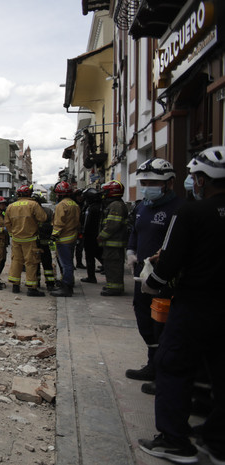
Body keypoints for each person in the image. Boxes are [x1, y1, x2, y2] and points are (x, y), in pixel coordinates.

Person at [137, 147, 225, 463]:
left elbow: (170, 261)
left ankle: (174, 440)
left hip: (194, 306)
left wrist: (151, 283)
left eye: (194, 176)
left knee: (173, 366)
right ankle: (217, 440)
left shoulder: (189, 212)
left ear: (202, 179)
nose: (193, 182)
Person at [124, 158, 184, 394]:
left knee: (164, 324)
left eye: (152, 182)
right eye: (144, 182)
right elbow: (135, 233)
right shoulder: (142, 207)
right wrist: (131, 251)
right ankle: (152, 363)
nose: (147, 186)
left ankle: (164, 372)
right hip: (143, 276)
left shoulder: (178, 209)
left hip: (166, 279)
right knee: (144, 319)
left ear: (168, 183)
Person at [4, 184, 48, 296]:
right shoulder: (33, 204)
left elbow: (7, 223)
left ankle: (15, 285)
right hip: (30, 239)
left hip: (16, 239)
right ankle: (31, 288)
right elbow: (43, 218)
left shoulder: (11, 206)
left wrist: (12, 234)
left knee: (16, 261)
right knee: (31, 262)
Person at [97, 180, 128, 296]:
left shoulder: (116, 205)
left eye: (105, 191)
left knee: (114, 266)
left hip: (114, 242)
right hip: (112, 243)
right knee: (110, 266)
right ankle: (111, 285)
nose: (104, 194)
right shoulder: (115, 204)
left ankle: (115, 288)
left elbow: (112, 225)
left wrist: (101, 236)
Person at [50, 181, 81, 297]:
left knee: (65, 264)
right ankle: (68, 283)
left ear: (60, 194)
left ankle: (66, 287)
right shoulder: (74, 204)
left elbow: (58, 223)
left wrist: (53, 235)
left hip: (63, 239)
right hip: (72, 237)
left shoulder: (61, 205)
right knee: (68, 263)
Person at [33, 194, 58, 292]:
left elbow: (52, 226)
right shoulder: (47, 211)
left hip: (40, 243)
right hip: (41, 243)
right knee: (39, 264)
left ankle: (46, 283)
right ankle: (46, 283)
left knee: (42, 264)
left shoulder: (46, 212)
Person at [80, 187, 104, 284]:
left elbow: (88, 223)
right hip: (95, 235)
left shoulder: (92, 208)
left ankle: (91, 277)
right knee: (97, 254)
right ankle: (105, 267)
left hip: (91, 236)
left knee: (90, 256)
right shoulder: (98, 206)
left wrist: (83, 232)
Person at [73, 189, 86, 269]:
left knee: (79, 247)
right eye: (79, 196)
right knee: (72, 247)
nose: (80, 197)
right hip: (74, 228)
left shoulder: (84, 204)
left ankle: (79, 263)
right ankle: (71, 263)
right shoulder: (74, 205)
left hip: (81, 228)